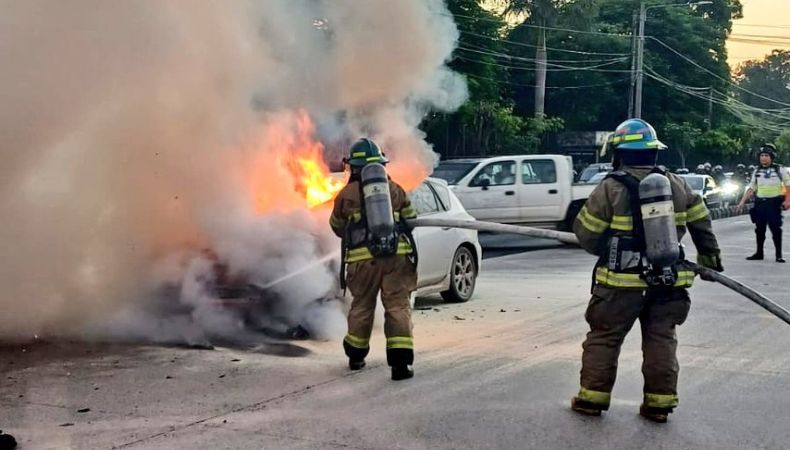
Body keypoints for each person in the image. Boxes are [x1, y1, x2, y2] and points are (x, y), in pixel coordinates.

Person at [571, 118, 722, 423]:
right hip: (667, 282)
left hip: (620, 285)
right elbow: (702, 223)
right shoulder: (677, 185)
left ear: (620, 153)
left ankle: (592, 399)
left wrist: (608, 247)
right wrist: (709, 257)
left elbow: (587, 234)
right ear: (654, 153)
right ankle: (659, 404)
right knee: (661, 339)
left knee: (605, 337)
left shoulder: (610, 188)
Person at [329, 138, 419, 380]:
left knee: (362, 307)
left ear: (353, 167)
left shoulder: (345, 195)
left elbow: (336, 226)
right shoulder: (395, 190)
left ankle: (356, 357)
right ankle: (400, 365)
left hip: (362, 263)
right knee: (398, 306)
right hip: (396, 259)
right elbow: (411, 219)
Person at [737, 143, 790, 263]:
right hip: (760, 203)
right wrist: (742, 202)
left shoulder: (780, 170)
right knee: (759, 229)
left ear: (772, 157)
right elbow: (751, 188)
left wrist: (787, 200)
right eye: (762, 155)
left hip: (774, 203)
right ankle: (759, 252)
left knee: (776, 229)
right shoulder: (756, 171)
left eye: (766, 155)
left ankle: (779, 255)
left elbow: (788, 186)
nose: (763, 158)